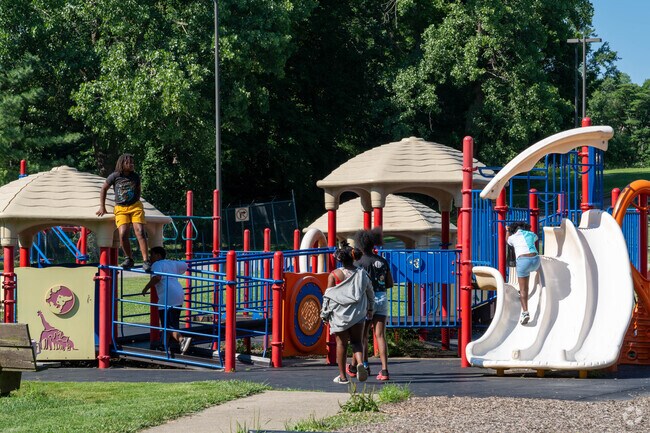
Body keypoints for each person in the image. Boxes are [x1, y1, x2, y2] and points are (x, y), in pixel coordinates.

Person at [320, 243, 374, 384]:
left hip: (339, 315)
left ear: (340, 259)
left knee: (341, 344)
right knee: (357, 342)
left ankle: (343, 377)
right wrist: (370, 308)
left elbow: (328, 296)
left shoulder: (334, 275)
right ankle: (360, 363)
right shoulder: (362, 274)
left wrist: (324, 314)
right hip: (358, 314)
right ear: (354, 257)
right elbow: (370, 292)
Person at [348, 228, 394, 381]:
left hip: (366, 301)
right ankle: (385, 371)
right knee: (380, 336)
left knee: (361, 336)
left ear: (360, 244)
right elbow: (390, 283)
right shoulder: (382, 261)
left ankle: (360, 366)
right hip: (381, 298)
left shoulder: (358, 262)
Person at [96, 153, 151, 272]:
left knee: (140, 232)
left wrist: (135, 201)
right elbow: (103, 189)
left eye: (132, 163)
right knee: (123, 233)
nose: (131, 165)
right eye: (128, 163)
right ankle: (129, 258)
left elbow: (138, 190)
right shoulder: (115, 176)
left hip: (135, 207)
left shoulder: (135, 176)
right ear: (122, 164)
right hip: (121, 209)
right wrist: (102, 207)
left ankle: (146, 260)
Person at [141, 246, 192, 354]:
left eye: (152, 255)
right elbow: (185, 265)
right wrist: (175, 262)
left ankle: (182, 339)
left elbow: (157, 277)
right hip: (178, 293)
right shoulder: (170, 263)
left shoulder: (157, 264)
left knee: (167, 325)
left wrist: (146, 288)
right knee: (170, 321)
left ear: (158, 255)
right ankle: (163, 344)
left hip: (167, 296)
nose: (150, 258)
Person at [506, 221, 541, 325]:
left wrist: (507, 230)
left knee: (523, 289)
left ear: (514, 230)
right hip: (536, 261)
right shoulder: (531, 234)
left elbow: (507, 240)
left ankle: (525, 312)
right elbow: (535, 238)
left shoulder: (512, 237)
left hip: (523, 262)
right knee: (532, 264)